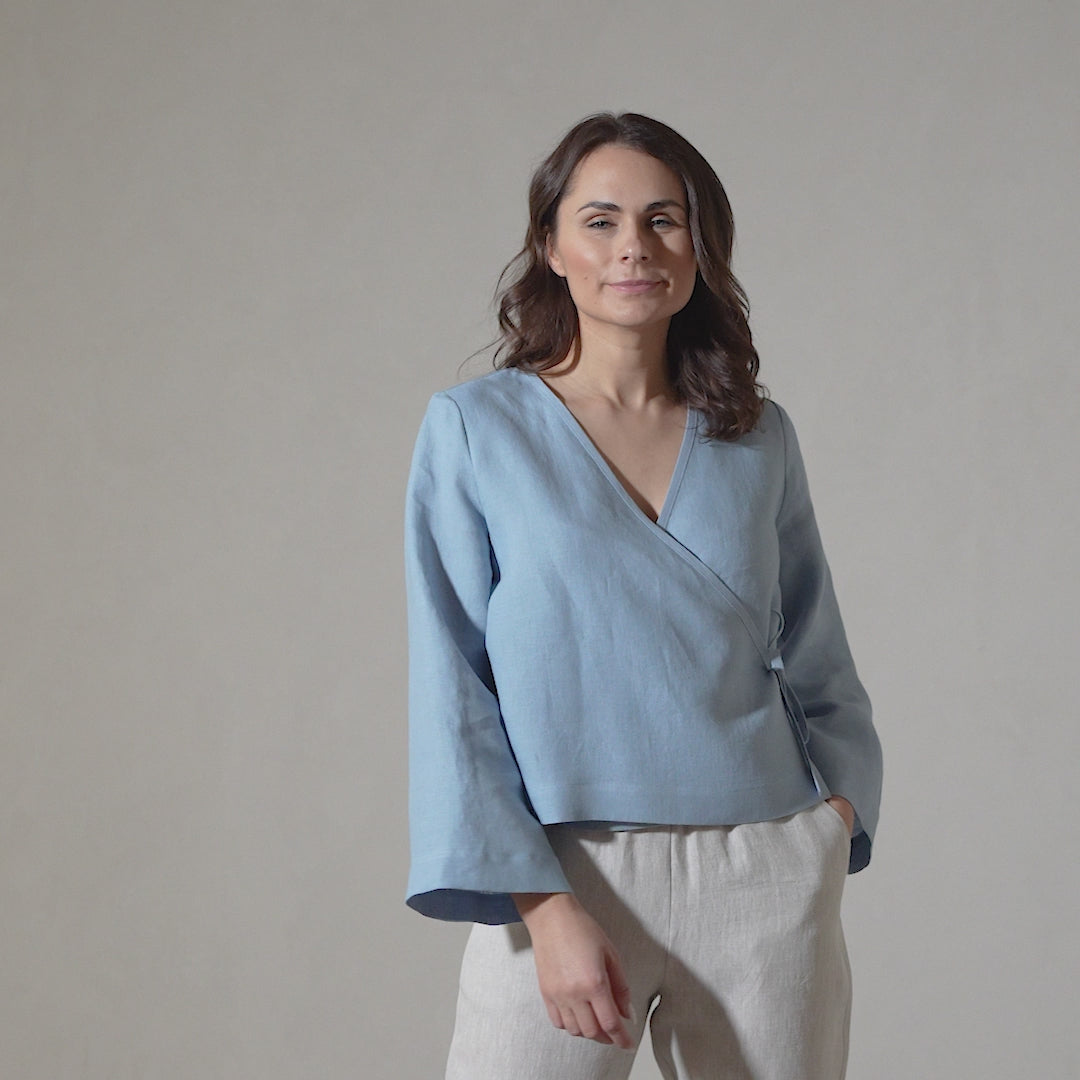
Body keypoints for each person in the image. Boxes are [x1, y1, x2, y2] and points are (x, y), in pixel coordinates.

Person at [403, 112, 883, 1080]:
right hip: (563, 870)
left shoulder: (758, 436)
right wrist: (545, 907)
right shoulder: (476, 430)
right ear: (552, 246)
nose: (635, 246)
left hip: (764, 867)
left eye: (665, 219)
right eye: (601, 220)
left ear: (701, 248)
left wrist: (831, 822)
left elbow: (815, 646)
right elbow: (453, 684)